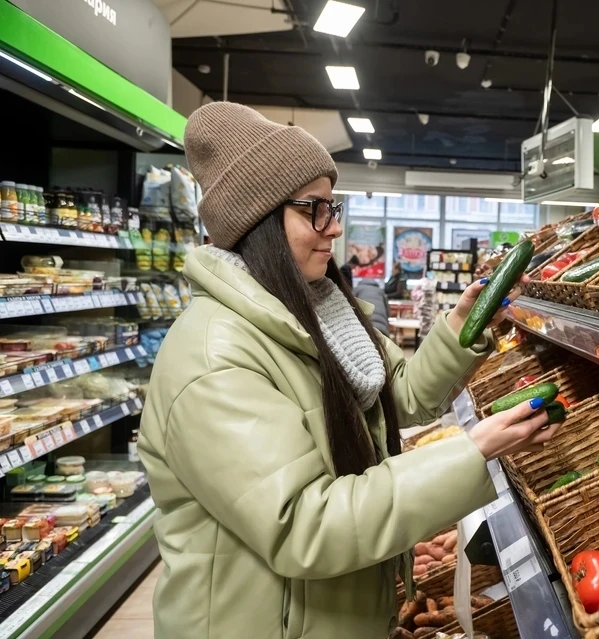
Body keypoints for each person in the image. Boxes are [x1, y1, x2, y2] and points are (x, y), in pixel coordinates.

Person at [137, 103, 559, 639]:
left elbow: (399, 394)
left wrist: (461, 324)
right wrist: (471, 451)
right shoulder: (213, 356)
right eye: (314, 209)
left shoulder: (319, 310)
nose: (334, 226)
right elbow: (304, 525)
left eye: (332, 206)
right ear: (257, 220)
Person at [340, 263, 390, 336]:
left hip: (366, 328)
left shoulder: (357, 290)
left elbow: (350, 308)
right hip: (382, 326)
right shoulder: (380, 291)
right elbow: (387, 310)